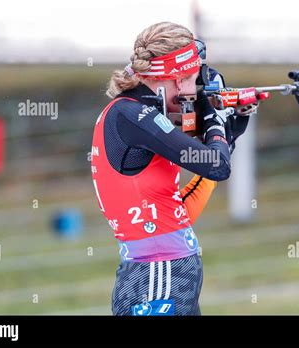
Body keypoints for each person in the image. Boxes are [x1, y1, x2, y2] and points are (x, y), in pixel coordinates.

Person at [91, 22, 256, 316]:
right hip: (158, 276)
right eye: (194, 81)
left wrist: (227, 137)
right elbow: (215, 165)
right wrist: (213, 119)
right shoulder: (132, 115)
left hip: (166, 274)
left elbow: (177, 214)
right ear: (178, 80)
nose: (195, 92)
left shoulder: (135, 113)